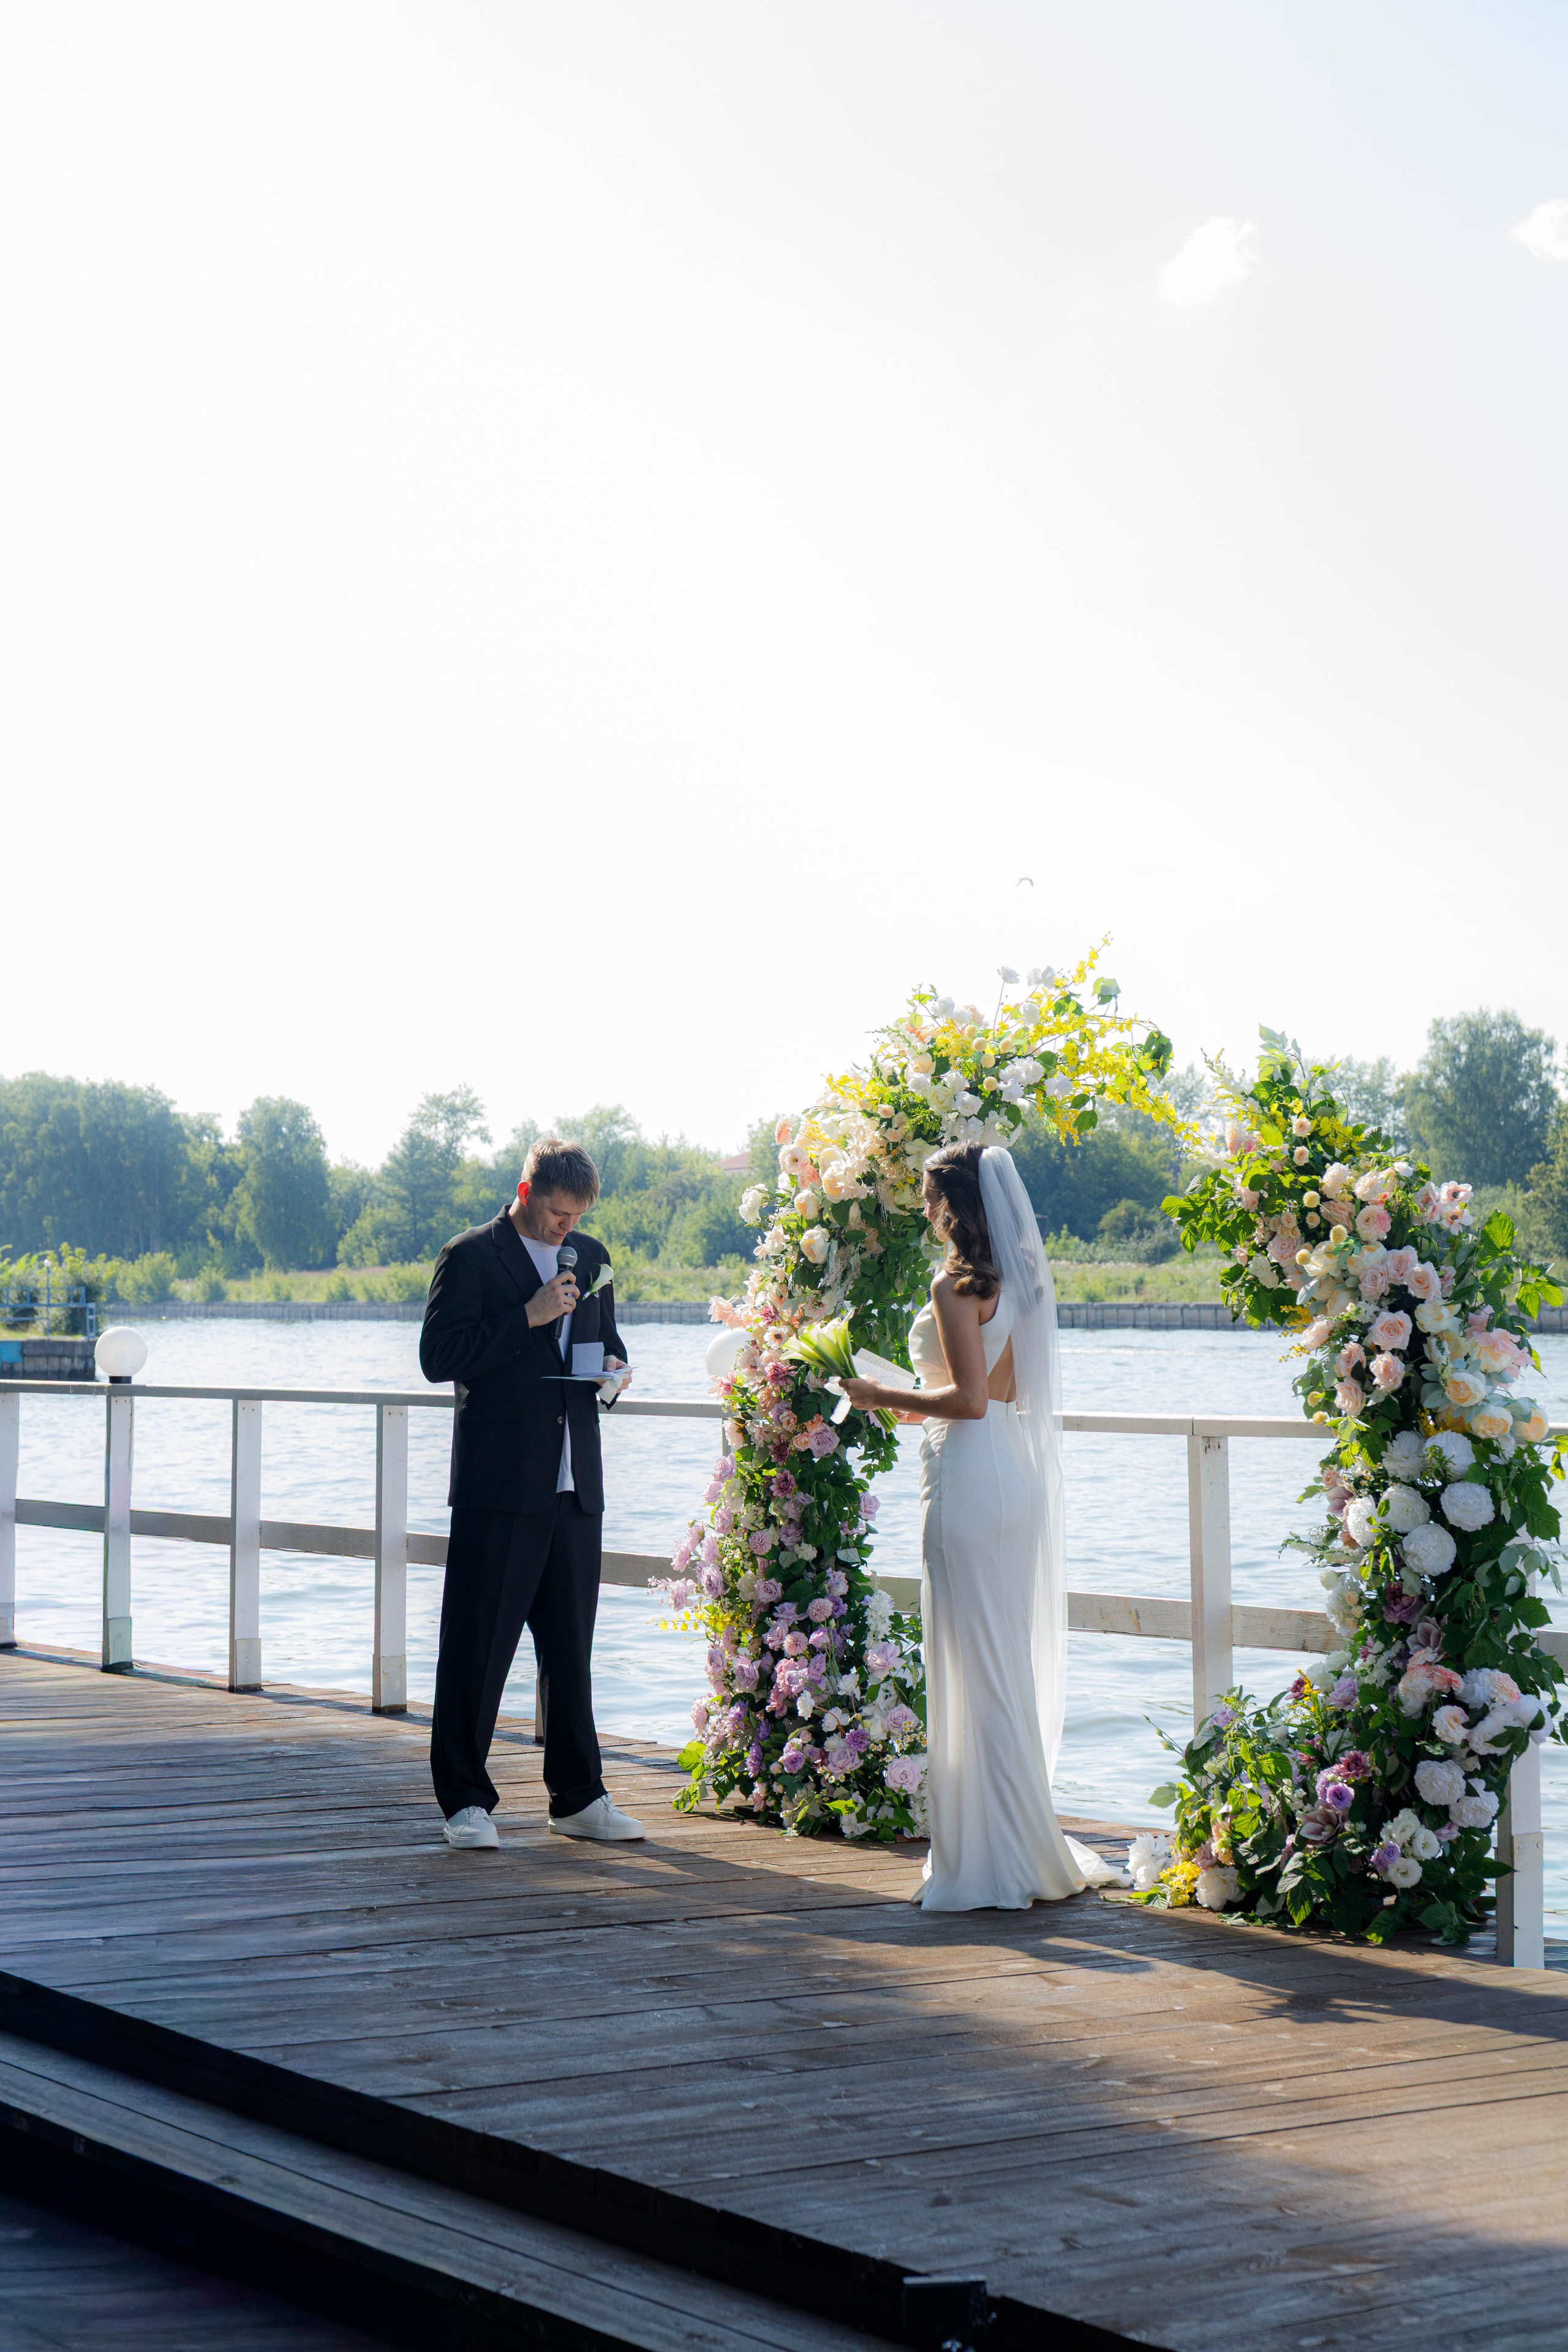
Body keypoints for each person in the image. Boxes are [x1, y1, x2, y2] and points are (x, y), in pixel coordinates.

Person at [841, 1142, 1119, 1910]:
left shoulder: (953, 1285)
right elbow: (1001, 1395)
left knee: (969, 1660)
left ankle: (986, 1857)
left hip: (967, 1474)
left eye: (932, 1201)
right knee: (1001, 1663)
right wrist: (913, 1400)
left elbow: (964, 1403)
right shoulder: (1022, 1284)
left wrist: (873, 1395)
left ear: (955, 1206)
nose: (926, 1214)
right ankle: (1020, 1840)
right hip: (1013, 1476)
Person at [419, 1135, 644, 1850]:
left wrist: (615, 1368)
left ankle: (578, 1798)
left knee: (570, 1648)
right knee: (477, 1645)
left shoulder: (595, 1256)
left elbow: (605, 1339)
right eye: (554, 1214)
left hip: (575, 1479)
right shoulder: (471, 1256)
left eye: (575, 1217)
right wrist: (528, 1316)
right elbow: (438, 1358)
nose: (565, 1230)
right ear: (524, 1193)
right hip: (501, 1479)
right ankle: (464, 1802)